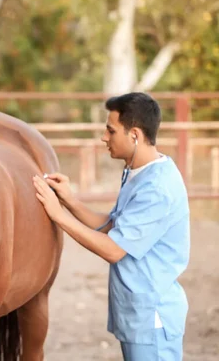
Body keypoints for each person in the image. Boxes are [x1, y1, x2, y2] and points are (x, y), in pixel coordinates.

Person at [33, 92, 190, 360]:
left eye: (110, 130)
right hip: (136, 312)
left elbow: (114, 249)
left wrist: (58, 215)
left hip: (151, 316)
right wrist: (69, 201)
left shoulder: (158, 188)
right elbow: (111, 226)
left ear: (135, 135)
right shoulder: (138, 172)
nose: (104, 137)